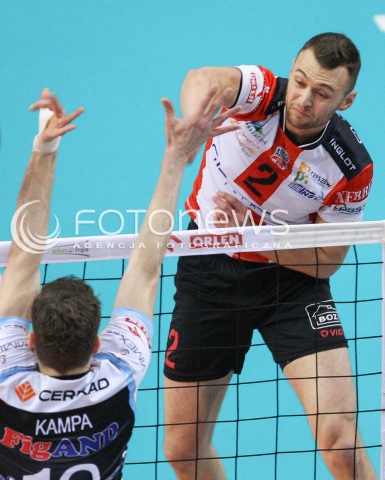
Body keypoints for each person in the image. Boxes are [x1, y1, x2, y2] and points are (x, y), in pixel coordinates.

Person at [0, 86, 240, 478]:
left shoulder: (1, 379)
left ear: (30, 341)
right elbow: (146, 268)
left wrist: (44, 149)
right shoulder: (118, 375)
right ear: (97, 344)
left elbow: (22, 258)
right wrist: (175, 160)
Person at [163, 33, 377, 479]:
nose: (303, 99)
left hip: (291, 285)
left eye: (323, 93)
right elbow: (201, 78)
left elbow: (326, 260)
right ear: (291, 71)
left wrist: (256, 236)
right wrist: (195, 120)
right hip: (209, 275)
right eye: (300, 81)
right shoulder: (261, 94)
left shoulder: (350, 166)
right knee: (183, 451)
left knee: (340, 443)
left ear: (347, 100)